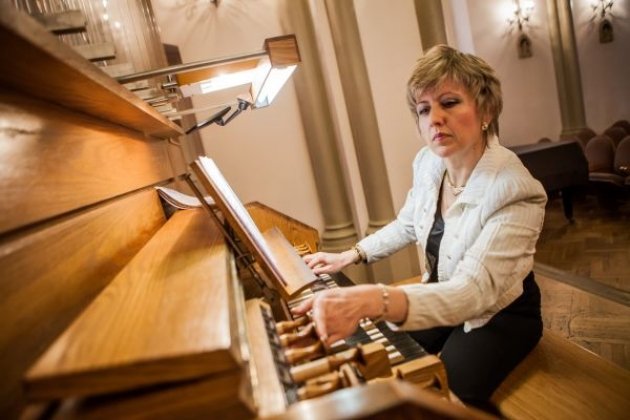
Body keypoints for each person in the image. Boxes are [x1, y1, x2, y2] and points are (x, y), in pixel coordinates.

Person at [294, 44, 547, 413]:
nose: (434, 119)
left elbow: (473, 292)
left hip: (498, 313)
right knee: (376, 354)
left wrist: (375, 298)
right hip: (441, 291)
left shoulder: (515, 189)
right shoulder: (429, 162)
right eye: (424, 109)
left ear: (486, 111)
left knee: (440, 395)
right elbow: (408, 222)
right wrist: (350, 255)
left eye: (449, 103)